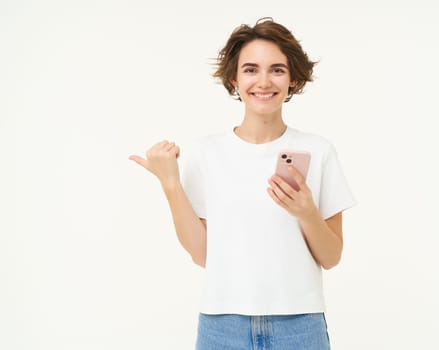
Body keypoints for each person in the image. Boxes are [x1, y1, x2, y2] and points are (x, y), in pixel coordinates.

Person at [130, 17, 356, 350]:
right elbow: (202, 253)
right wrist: (171, 186)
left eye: (277, 69)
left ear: (293, 78)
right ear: (234, 79)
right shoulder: (207, 152)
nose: (263, 81)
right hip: (223, 327)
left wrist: (306, 212)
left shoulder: (318, 151)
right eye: (251, 69)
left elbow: (332, 256)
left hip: (300, 326)